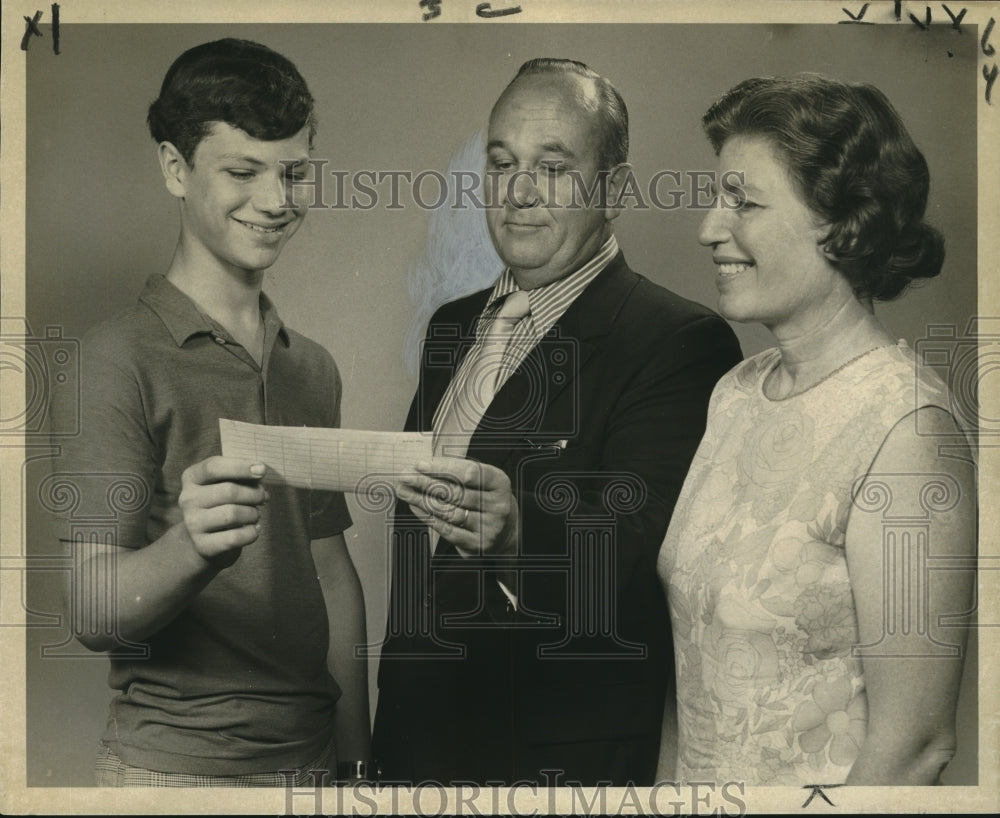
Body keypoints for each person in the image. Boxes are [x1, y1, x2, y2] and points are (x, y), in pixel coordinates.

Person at [372, 58, 742, 785]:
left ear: (615, 189)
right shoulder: (452, 327)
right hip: (413, 750)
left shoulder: (677, 341)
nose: (517, 194)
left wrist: (517, 535)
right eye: (502, 163)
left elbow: (645, 565)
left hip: (557, 768)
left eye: (552, 167)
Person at [52, 39, 371, 786]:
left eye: (294, 172)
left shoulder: (310, 366)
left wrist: (359, 761)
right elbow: (90, 609)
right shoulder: (115, 359)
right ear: (174, 168)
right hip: (176, 773)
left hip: (315, 767)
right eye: (241, 171)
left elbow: (330, 575)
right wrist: (190, 549)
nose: (275, 200)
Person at [657, 75, 976, 786]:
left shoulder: (907, 431)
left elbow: (916, 747)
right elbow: (694, 691)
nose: (710, 227)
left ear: (840, 223)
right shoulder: (736, 394)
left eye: (743, 202)